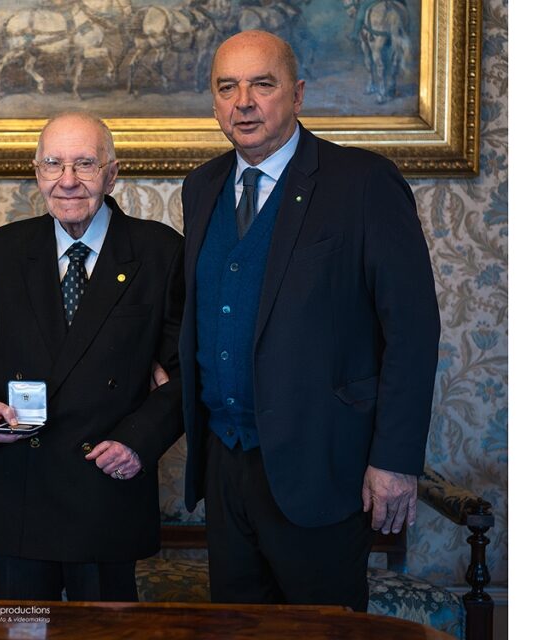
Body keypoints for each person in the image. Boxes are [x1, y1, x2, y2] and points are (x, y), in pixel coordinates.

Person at [179, 30, 439, 612]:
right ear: (215, 103)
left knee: (323, 632)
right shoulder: (201, 187)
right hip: (226, 464)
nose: (243, 101)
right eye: (228, 87)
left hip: (322, 466)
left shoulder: (363, 183)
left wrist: (395, 460)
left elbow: (413, 331)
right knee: (236, 629)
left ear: (296, 95)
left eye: (261, 84)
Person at [0, 112, 183, 602]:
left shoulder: (159, 251)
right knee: (20, 633)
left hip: (105, 487)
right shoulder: (5, 249)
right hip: (19, 491)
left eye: (84, 164)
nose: (68, 181)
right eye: (53, 164)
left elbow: (186, 375)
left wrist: (137, 443)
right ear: (37, 172)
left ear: (113, 173)